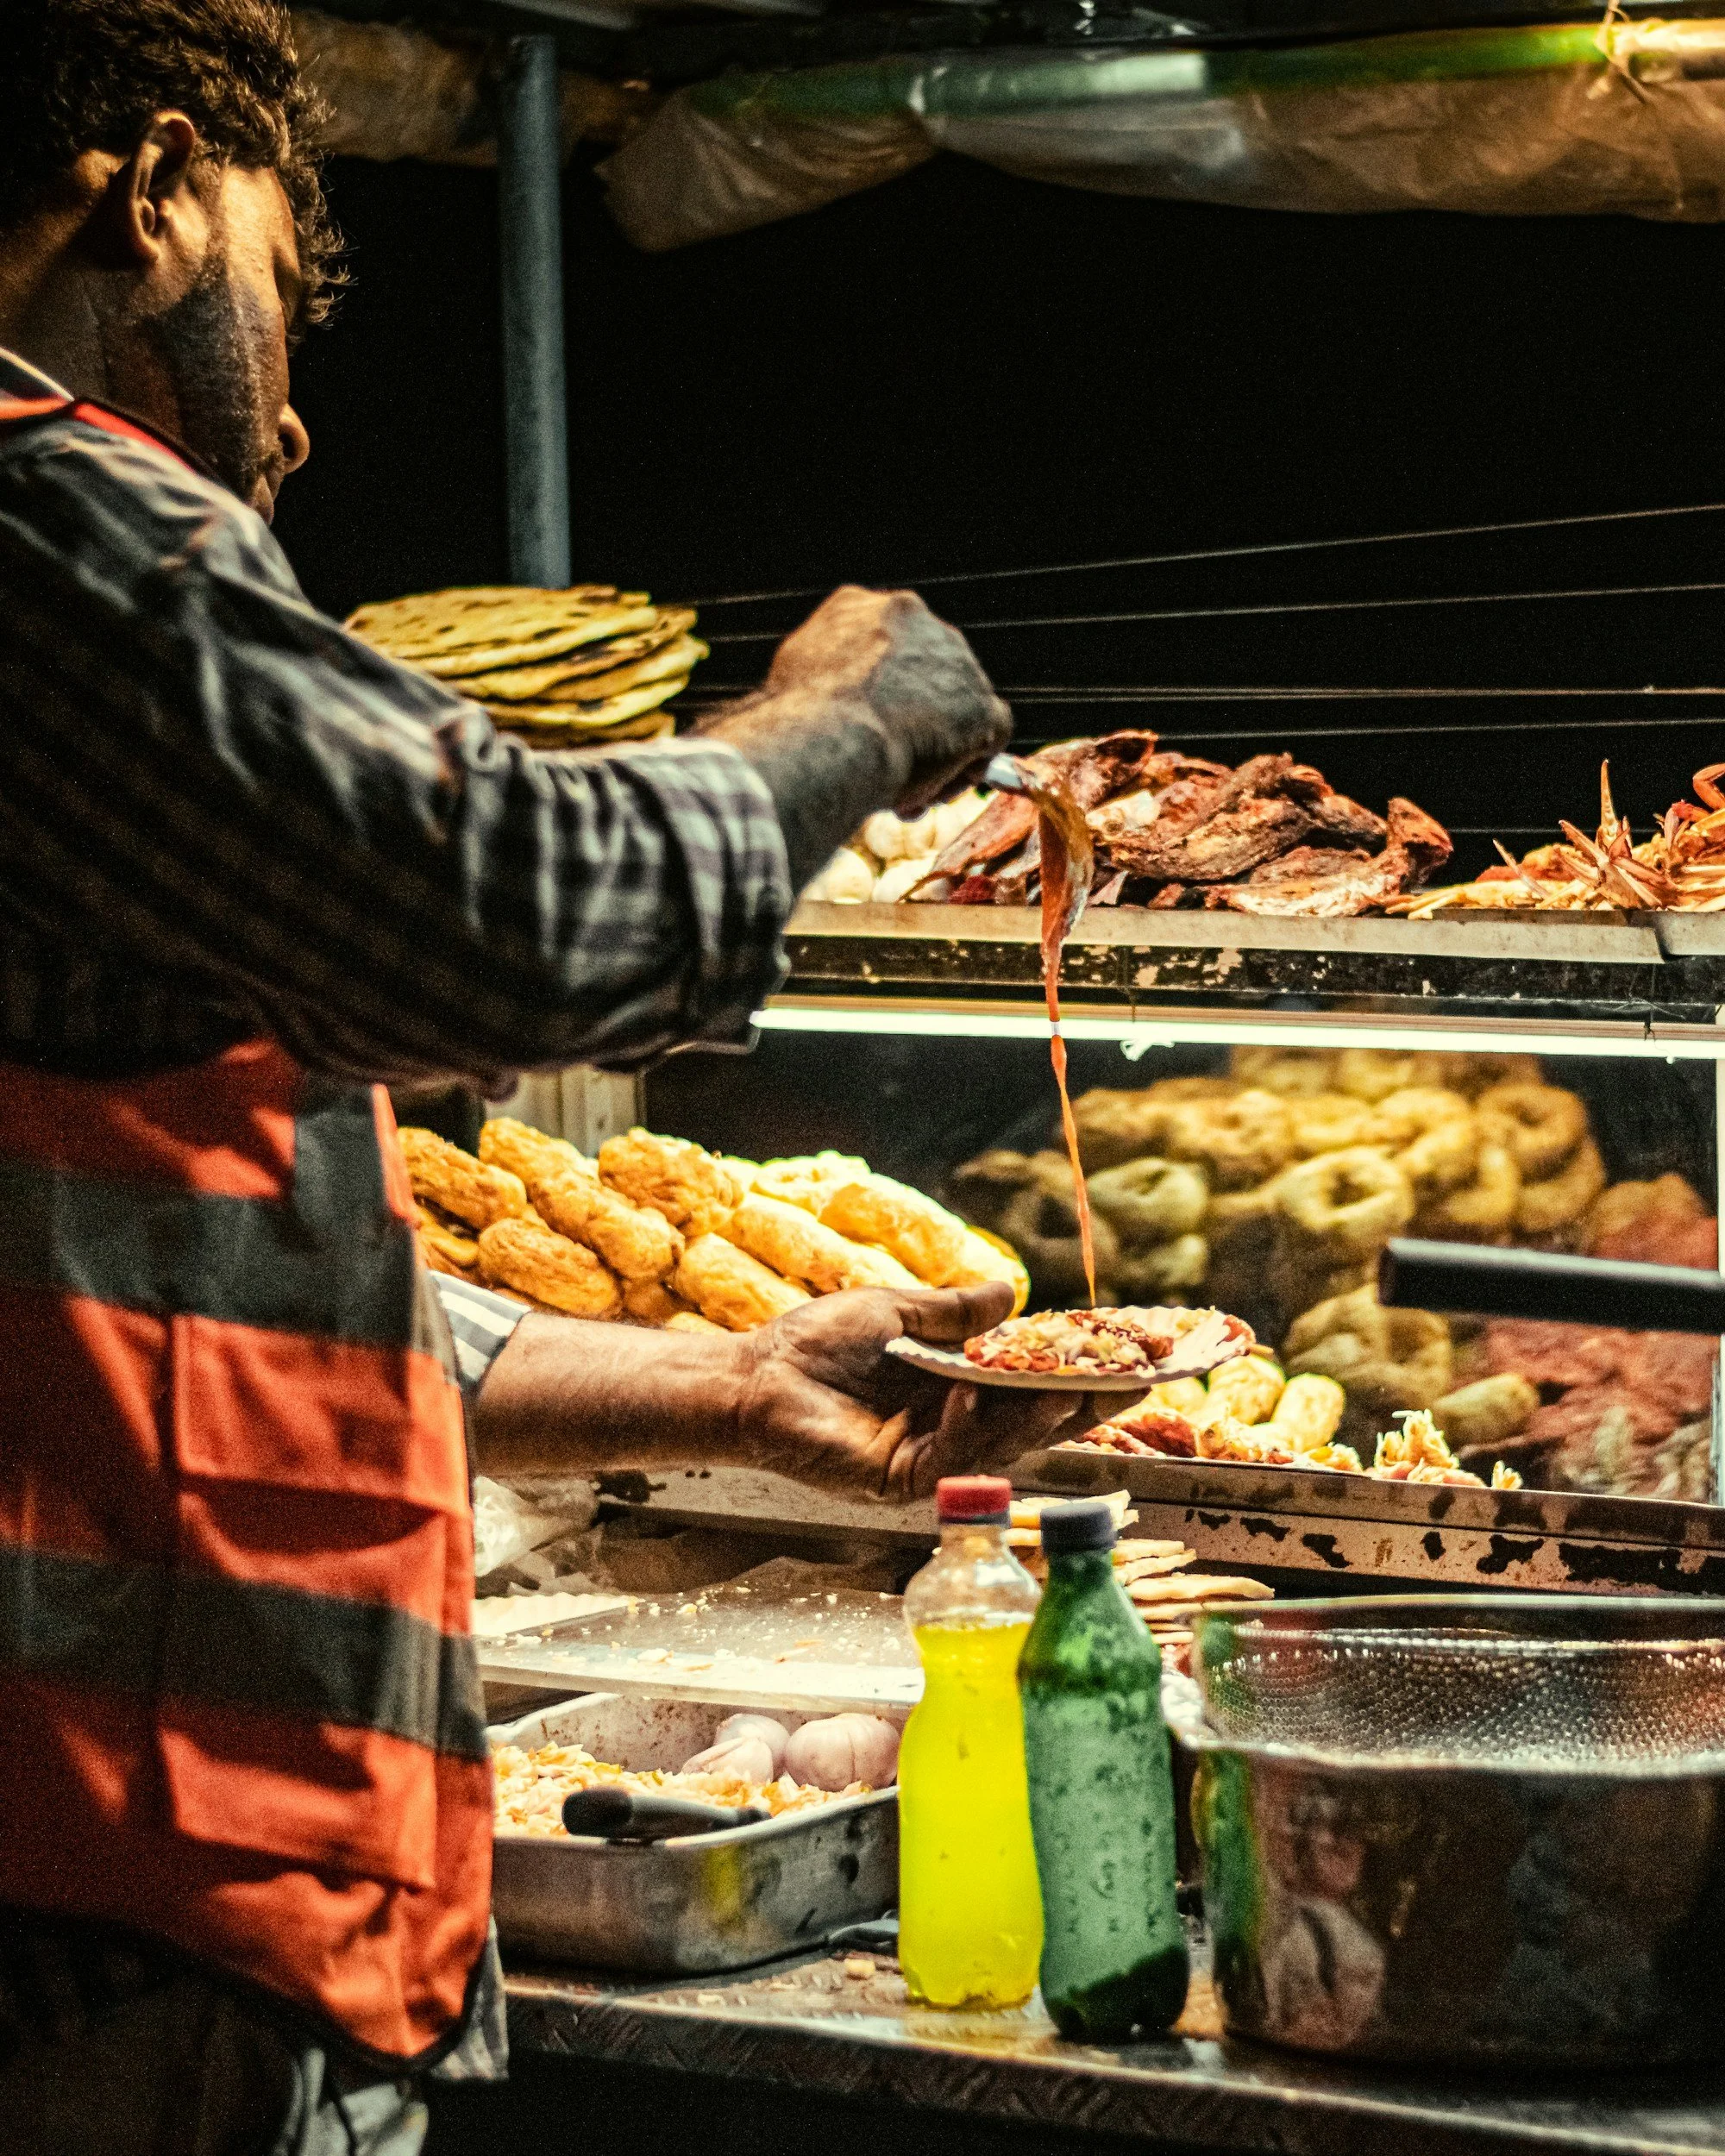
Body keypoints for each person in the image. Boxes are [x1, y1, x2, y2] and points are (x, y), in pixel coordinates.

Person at [0, 4, 1090, 2150]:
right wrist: (842, 715)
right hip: (119, 1926)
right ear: (146, 190)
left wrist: (713, 1380)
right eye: (280, 289)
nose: (295, 422)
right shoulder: (51, 523)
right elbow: (504, 918)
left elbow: (159, 1220)